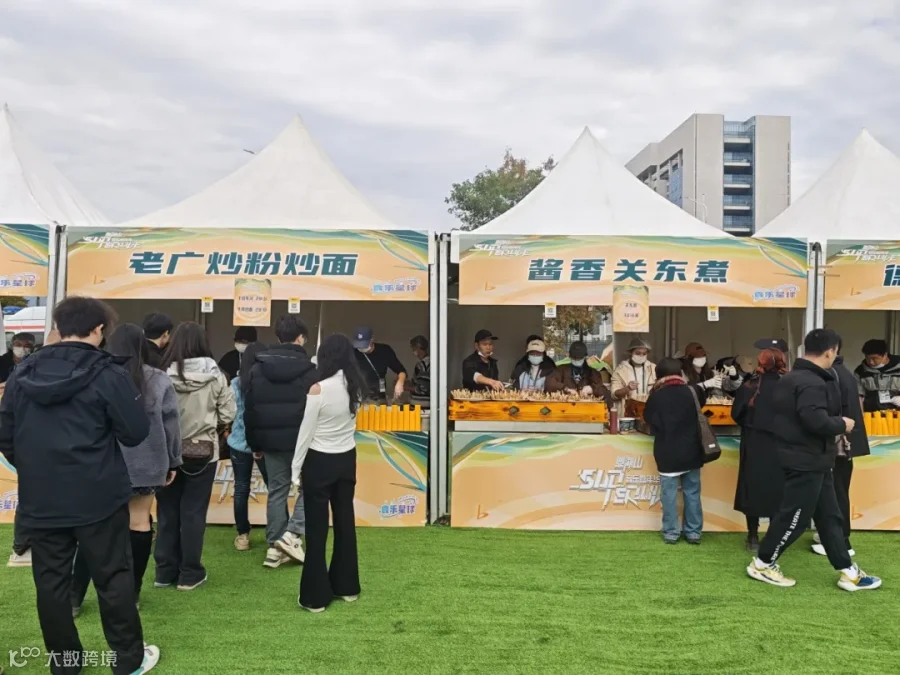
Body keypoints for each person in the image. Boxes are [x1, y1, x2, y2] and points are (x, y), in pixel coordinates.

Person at [0, 296, 160, 673]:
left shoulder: (23, 372)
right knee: (113, 577)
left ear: (59, 326)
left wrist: (37, 468)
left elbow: (6, 435)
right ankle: (127, 660)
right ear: (99, 329)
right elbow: (136, 430)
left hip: (43, 496)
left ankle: (66, 663)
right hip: (98, 494)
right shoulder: (108, 372)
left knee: (51, 583)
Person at [747, 329, 882, 592]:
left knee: (830, 517)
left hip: (814, 459)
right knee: (794, 517)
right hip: (806, 460)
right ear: (831, 352)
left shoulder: (791, 378)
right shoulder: (812, 382)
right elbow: (814, 420)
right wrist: (842, 423)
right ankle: (762, 563)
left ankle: (848, 571)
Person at [71, 323, 183, 616]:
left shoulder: (93, 375)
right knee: (140, 522)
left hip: (101, 463)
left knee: (94, 528)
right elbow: (171, 424)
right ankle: (131, 593)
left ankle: (74, 595)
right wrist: (173, 460)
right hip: (147, 462)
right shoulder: (158, 379)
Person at [156, 322, 235, 591]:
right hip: (203, 451)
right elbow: (228, 413)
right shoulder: (217, 375)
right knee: (193, 513)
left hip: (167, 451)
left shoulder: (161, 374)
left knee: (167, 511)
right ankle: (190, 574)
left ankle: (164, 572)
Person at [291, 334, 365, 612]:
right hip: (347, 459)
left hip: (319, 461)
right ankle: (347, 587)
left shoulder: (318, 389)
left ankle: (315, 597)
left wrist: (295, 469)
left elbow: (305, 433)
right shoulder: (356, 388)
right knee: (345, 522)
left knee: (317, 528)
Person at [245, 315, 317, 568]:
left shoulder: (257, 368)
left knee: (277, 491)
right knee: (310, 488)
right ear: (301, 338)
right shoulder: (311, 371)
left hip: (270, 441)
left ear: (277, 337)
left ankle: (275, 546)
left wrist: (254, 444)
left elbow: (250, 410)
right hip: (303, 441)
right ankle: (291, 536)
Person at [643, 358, 707, 545]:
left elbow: (649, 419)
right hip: (692, 449)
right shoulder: (694, 391)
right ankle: (693, 532)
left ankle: (671, 532)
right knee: (692, 492)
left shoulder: (656, 396)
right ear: (680, 373)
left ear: (659, 376)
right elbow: (701, 408)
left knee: (669, 494)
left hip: (667, 450)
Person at [816, 342, 870, 558]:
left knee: (836, 493)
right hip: (846, 444)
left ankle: (841, 540)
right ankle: (834, 536)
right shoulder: (845, 373)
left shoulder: (832, 374)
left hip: (838, 443)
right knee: (839, 490)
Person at [732, 348, 788, 552]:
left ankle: (752, 536)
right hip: (781, 443)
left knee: (752, 488)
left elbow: (736, 413)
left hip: (753, 442)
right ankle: (773, 536)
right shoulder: (789, 385)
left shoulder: (750, 385)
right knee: (778, 488)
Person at [228, 341, 269, 551]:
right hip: (264, 442)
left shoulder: (236, 383)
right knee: (275, 488)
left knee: (241, 488)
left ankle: (242, 535)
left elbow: (228, 412)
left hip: (238, 442)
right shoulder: (269, 383)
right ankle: (279, 533)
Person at [352, 326, 407, 401]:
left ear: (372, 340)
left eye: (364, 344)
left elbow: (401, 371)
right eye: (358, 345)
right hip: (359, 395)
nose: (361, 348)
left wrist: (400, 383)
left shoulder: (384, 350)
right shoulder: (353, 352)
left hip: (378, 395)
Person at [545, 341, 610, 400]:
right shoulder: (561, 369)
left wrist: (592, 389)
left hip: (586, 406)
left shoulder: (593, 373)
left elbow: (605, 392)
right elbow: (549, 384)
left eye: (579, 358)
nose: (577, 360)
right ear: (570, 356)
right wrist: (566, 389)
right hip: (566, 406)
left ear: (585, 357)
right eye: (574, 358)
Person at [611, 338, 656, 415]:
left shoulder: (653, 368)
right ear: (630, 353)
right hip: (628, 411)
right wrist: (627, 388)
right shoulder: (620, 370)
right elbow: (614, 394)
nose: (641, 356)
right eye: (638, 353)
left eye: (644, 354)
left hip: (650, 409)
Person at [854, 338, 900, 412]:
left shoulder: (898, 367)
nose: (871, 362)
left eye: (874, 358)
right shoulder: (860, 372)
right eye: (867, 358)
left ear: (885, 355)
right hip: (872, 414)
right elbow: (859, 396)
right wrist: (861, 416)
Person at [408, 335, 431, 404]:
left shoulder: (423, 365)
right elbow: (420, 382)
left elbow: (422, 389)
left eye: (413, 348)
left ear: (418, 347)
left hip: (422, 405)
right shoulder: (427, 362)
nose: (413, 351)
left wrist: (404, 387)